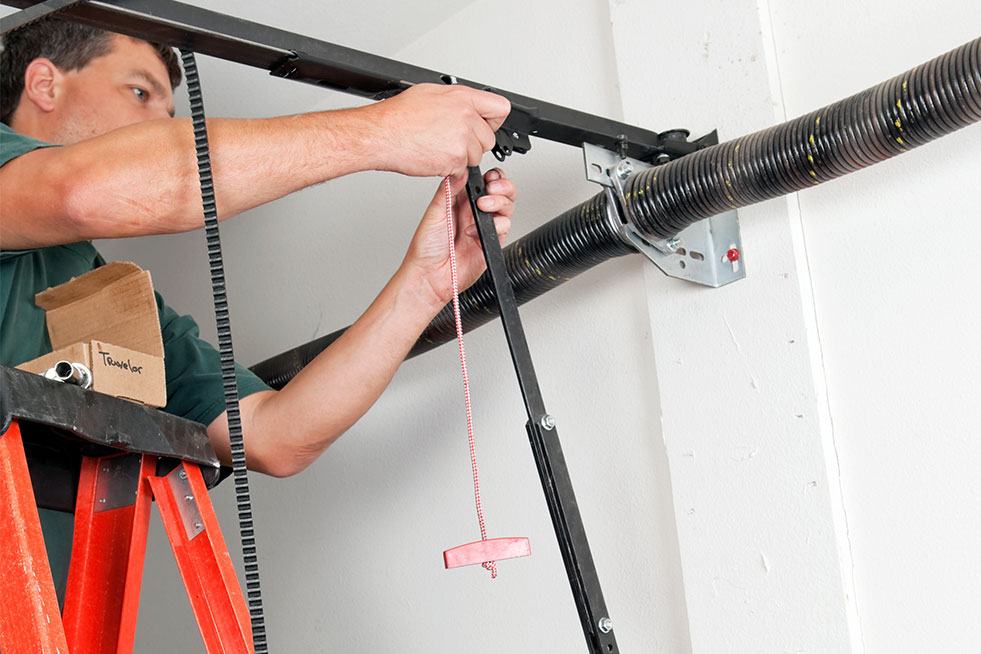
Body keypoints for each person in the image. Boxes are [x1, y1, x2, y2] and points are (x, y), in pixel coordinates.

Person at [0, 17, 517, 602]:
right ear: (44, 84)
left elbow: (278, 435)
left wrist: (424, 284)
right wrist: (382, 131)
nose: (155, 126)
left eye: (167, 116)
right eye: (139, 92)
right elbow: (84, 192)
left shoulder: (109, 300)